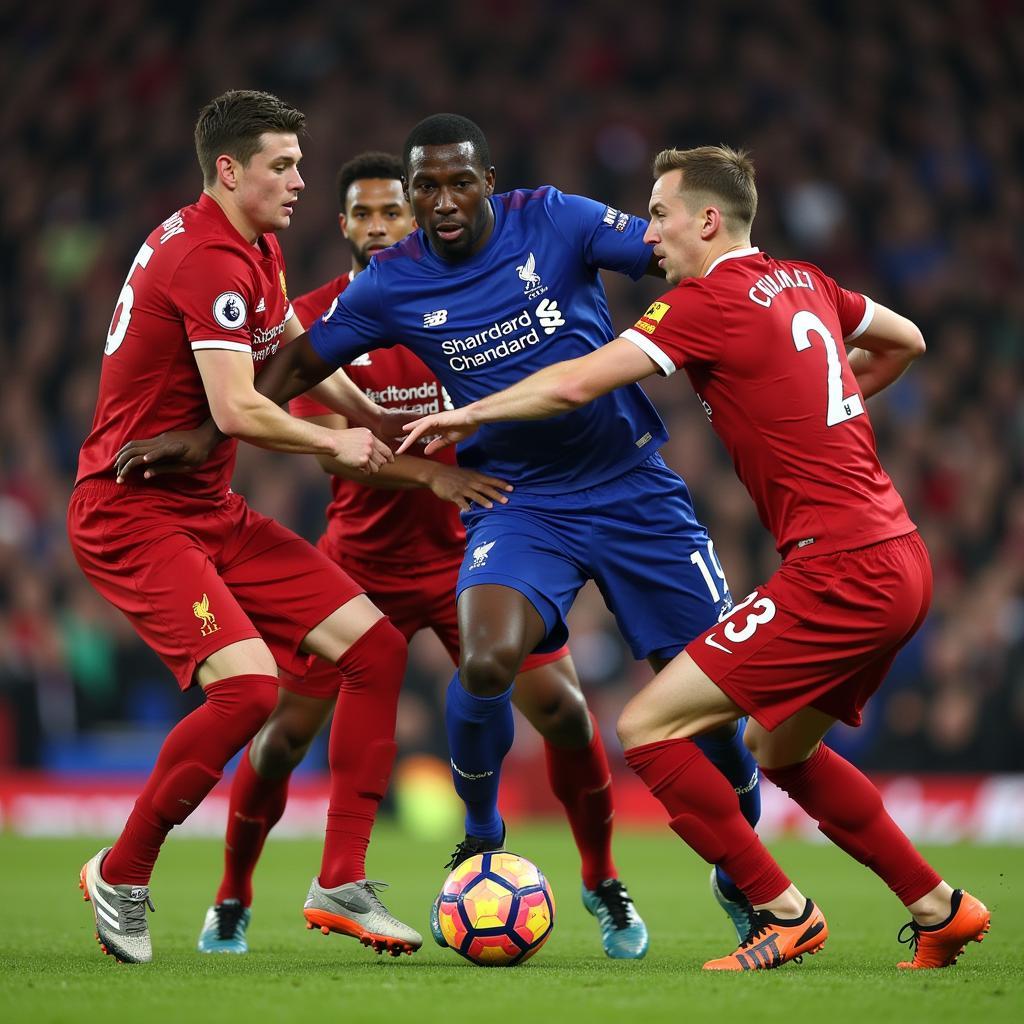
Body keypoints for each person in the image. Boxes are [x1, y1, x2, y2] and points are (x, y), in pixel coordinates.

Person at [116, 115, 764, 952]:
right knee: (309, 721)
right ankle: (398, 855)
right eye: (418, 192)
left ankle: (678, 870)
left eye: (454, 184)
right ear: (354, 222)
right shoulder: (376, 295)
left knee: (690, 711)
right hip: (480, 516)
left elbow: (676, 254)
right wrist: (210, 437)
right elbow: (297, 377)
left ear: (489, 181)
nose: (432, 205)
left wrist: (767, 310)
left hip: (622, 486)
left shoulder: (556, 219)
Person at [399, 145, 992, 972]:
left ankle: (783, 911)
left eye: (659, 214)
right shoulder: (805, 281)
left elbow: (575, 384)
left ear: (708, 221)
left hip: (839, 569)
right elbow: (908, 340)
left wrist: (469, 418)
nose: (650, 234)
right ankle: (941, 908)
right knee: (779, 751)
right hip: (901, 556)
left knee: (647, 728)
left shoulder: (706, 301)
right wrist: (829, 401)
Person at [194, 151, 653, 960]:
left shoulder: (458, 298)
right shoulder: (327, 317)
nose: (378, 229)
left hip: (465, 553)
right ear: (342, 226)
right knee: (283, 734)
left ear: (414, 220)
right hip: (357, 564)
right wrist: (433, 474)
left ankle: (603, 879)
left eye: (390, 215)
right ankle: (232, 895)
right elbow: (333, 451)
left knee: (567, 714)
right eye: (362, 216)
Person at [68, 90, 422, 963]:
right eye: (283, 165)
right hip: (132, 513)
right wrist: (331, 440)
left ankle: (340, 880)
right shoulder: (206, 262)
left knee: (374, 648)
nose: (302, 180)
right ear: (229, 171)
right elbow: (235, 409)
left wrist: (367, 413)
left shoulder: (250, 243)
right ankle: (124, 870)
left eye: (299, 163)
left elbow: (292, 337)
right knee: (251, 690)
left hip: (205, 509)